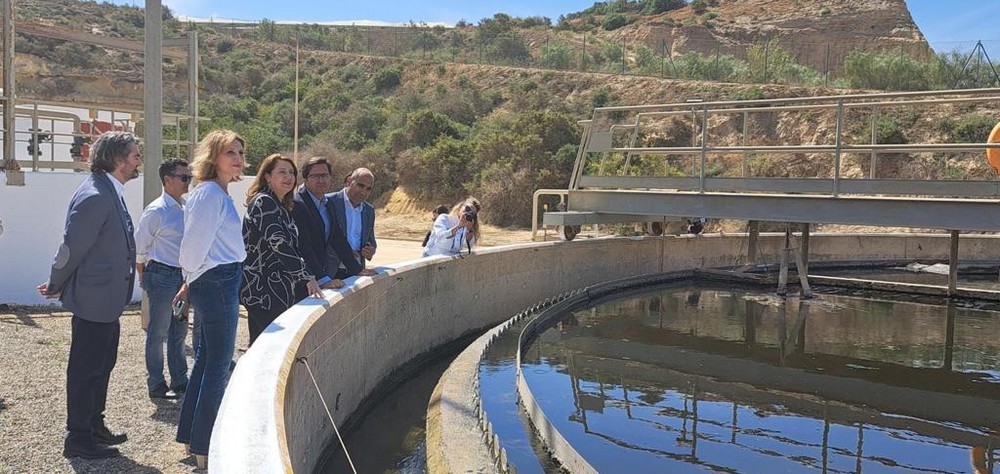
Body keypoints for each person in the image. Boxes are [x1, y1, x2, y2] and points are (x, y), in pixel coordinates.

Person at [37, 131, 141, 459]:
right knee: (85, 370)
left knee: (102, 365)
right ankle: (78, 438)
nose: (139, 160)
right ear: (116, 159)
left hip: (106, 301)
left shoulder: (109, 189)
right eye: (135, 155)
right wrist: (57, 282)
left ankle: (94, 425)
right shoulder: (96, 194)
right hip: (95, 301)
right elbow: (71, 248)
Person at [175, 130, 247, 470]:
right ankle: (205, 446)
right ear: (213, 157)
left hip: (218, 279)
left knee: (207, 361)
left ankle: (192, 438)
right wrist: (191, 278)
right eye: (229, 152)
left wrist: (193, 279)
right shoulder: (209, 194)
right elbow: (191, 248)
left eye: (240, 152)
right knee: (217, 364)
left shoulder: (219, 193)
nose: (237, 158)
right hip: (217, 281)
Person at [241, 154, 325, 345]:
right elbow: (278, 243)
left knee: (264, 345)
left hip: (278, 287)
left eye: (291, 172)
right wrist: (306, 276)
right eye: (282, 172)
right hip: (263, 290)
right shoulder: (264, 202)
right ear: (267, 177)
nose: (288, 177)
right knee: (268, 345)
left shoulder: (281, 206)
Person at [135, 158, 192, 400]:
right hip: (161, 276)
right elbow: (139, 247)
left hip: (180, 277)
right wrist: (145, 277)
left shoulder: (185, 206)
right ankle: (156, 384)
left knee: (178, 332)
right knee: (157, 332)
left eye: (188, 177)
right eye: (183, 178)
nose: (188, 182)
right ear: (167, 180)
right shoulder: (157, 210)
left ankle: (180, 380)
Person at [290, 157, 363, 298]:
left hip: (320, 274)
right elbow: (304, 246)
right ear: (306, 178)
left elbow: (337, 238)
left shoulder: (327, 203)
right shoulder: (297, 204)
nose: (321, 180)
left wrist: (357, 269)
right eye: (315, 176)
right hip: (302, 279)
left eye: (325, 175)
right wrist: (323, 279)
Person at [326, 168, 377, 278]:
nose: (364, 192)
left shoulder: (369, 211)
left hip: (356, 272)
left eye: (368, 189)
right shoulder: (328, 202)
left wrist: (370, 250)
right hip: (330, 272)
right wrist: (346, 253)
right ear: (349, 181)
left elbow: (370, 240)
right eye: (360, 186)